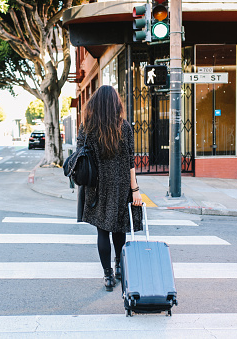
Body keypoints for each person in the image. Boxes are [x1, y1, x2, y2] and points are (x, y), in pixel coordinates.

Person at [77, 85, 143, 292]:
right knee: (119, 229)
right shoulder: (124, 127)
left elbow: (80, 155)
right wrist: (135, 190)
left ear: (94, 104)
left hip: (96, 186)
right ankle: (120, 267)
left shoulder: (87, 128)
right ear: (115, 103)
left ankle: (107, 276)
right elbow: (130, 160)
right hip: (120, 185)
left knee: (102, 231)